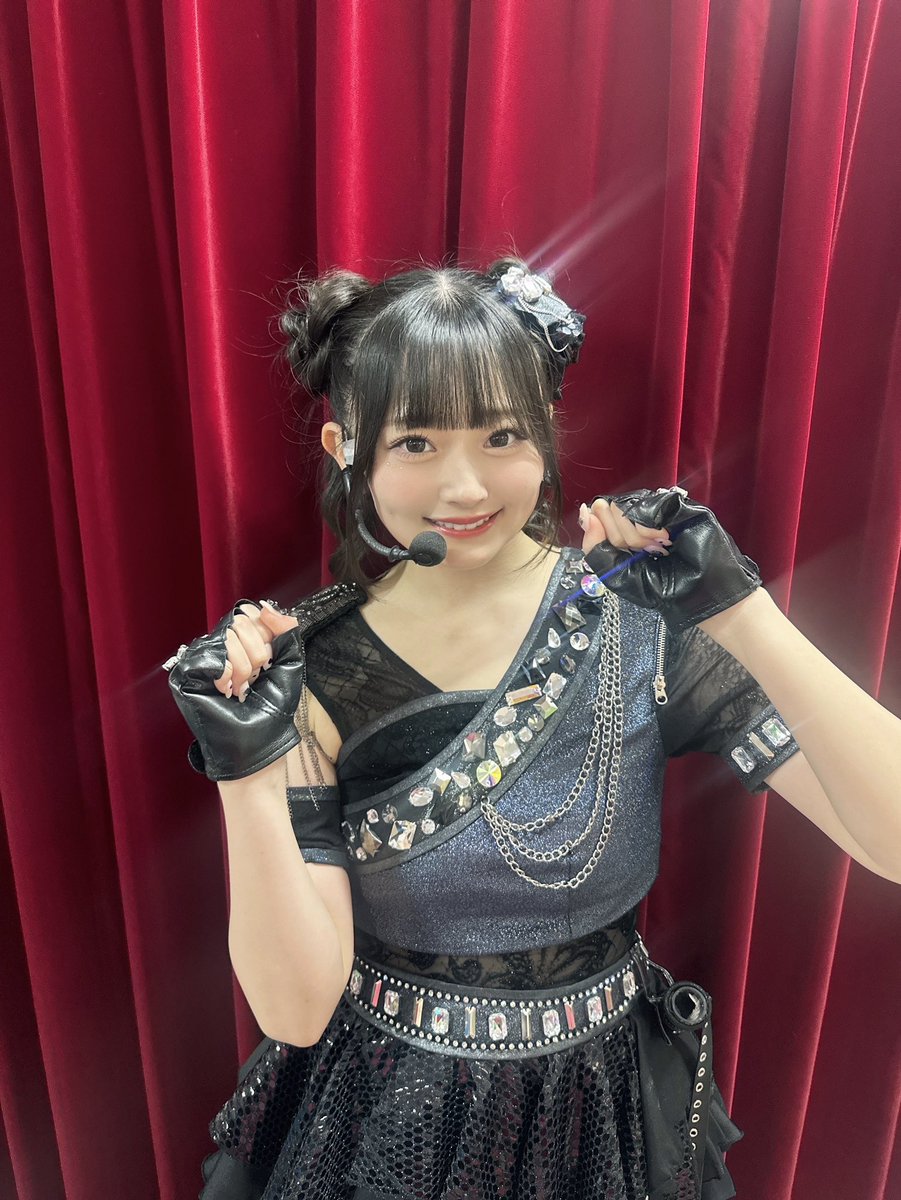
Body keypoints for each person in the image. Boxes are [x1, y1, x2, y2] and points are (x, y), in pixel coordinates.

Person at [166, 259, 901, 1200]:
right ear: (346, 446)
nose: (465, 485)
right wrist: (246, 768)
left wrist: (739, 611)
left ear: (546, 429)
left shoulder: (639, 618)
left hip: (608, 1116)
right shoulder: (314, 668)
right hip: (384, 1119)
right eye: (416, 442)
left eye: (501, 435)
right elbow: (296, 1011)